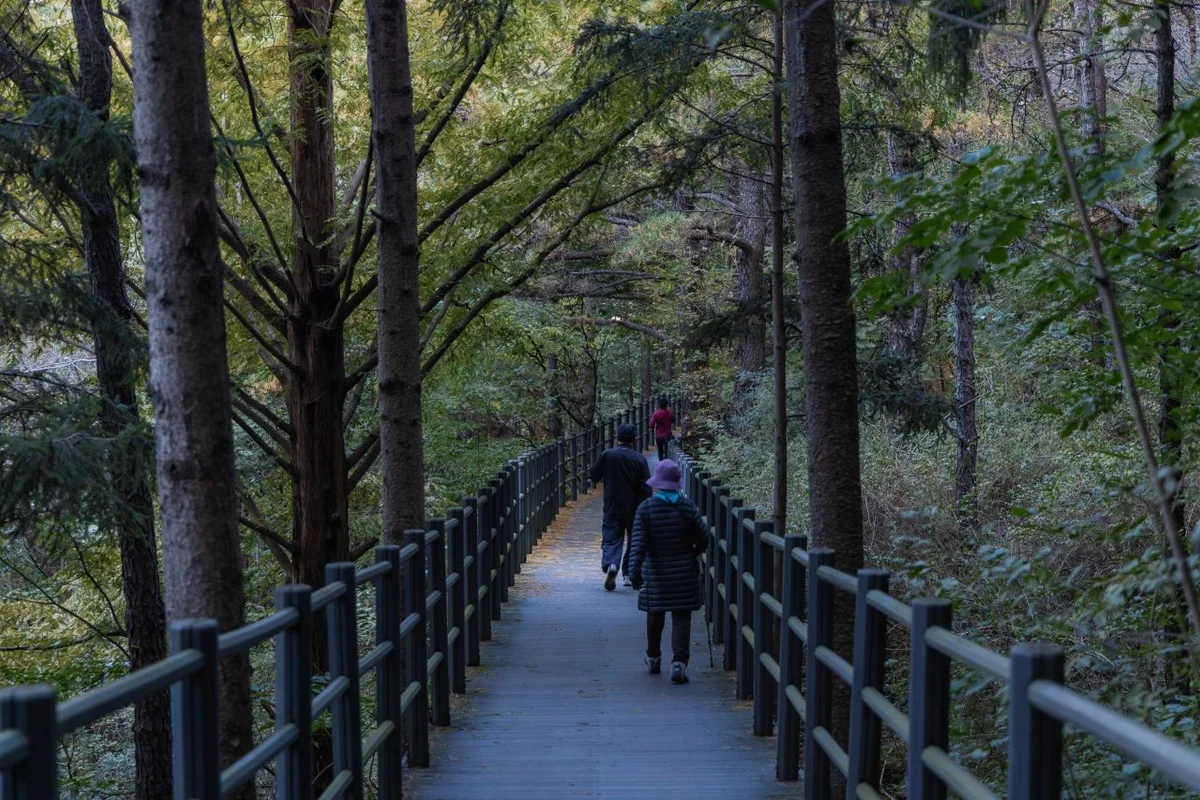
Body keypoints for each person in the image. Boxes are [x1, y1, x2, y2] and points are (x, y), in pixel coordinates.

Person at [628, 459, 707, 684]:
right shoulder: (687, 506)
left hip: (655, 571)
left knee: (655, 613)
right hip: (684, 570)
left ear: (657, 483)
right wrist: (695, 550)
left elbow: (638, 544)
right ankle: (679, 662)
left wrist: (634, 573)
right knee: (682, 616)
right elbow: (704, 537)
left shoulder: (646, 508)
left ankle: (654, 657)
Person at [588, 423, 651, 591]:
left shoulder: (607, 455)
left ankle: (611, 564)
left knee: (611, 537)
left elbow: (594, 475)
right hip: (635, 507)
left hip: (612, 504)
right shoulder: (639, 459)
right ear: (635, 439)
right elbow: (645, 486)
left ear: (617, 437)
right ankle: (629, 574)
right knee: (634, 540)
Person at [649, 397, 675, 462]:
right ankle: (667, 464)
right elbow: (673, 420)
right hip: (668, 434)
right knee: (667, 451)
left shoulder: (656, 414)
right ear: (666, 405)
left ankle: (661, 464)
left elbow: (651, 425)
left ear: (659, 405)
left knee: (660, 450)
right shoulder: (669, 413)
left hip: (659, 435)